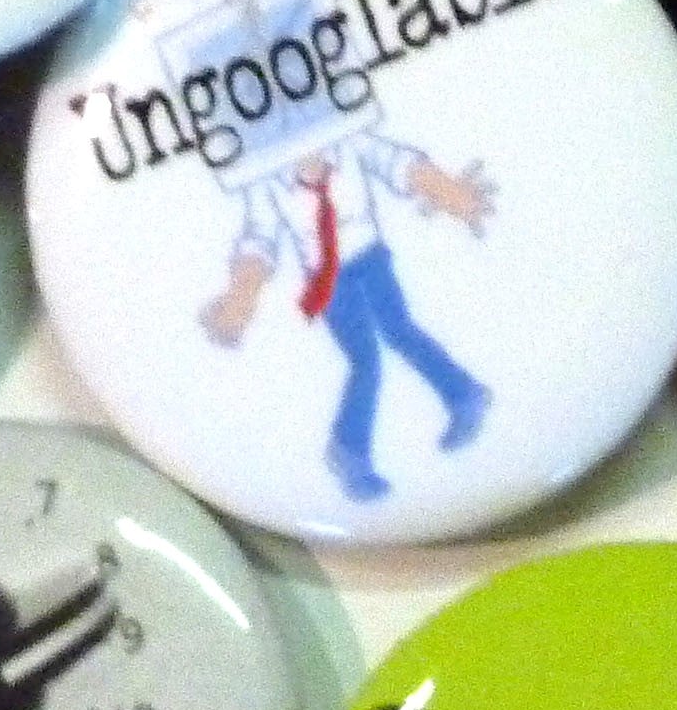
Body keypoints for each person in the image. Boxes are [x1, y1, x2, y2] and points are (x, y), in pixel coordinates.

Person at [201, 131, 496, 505]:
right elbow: (261, 238)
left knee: (401, 331)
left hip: (369, 258)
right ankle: (348, 451)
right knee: (365, 360)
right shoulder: (267, 181)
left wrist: (445, 190)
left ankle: (463, 395)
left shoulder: (350, 143)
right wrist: (242, 294)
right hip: (327, 279)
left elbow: (398, 163)